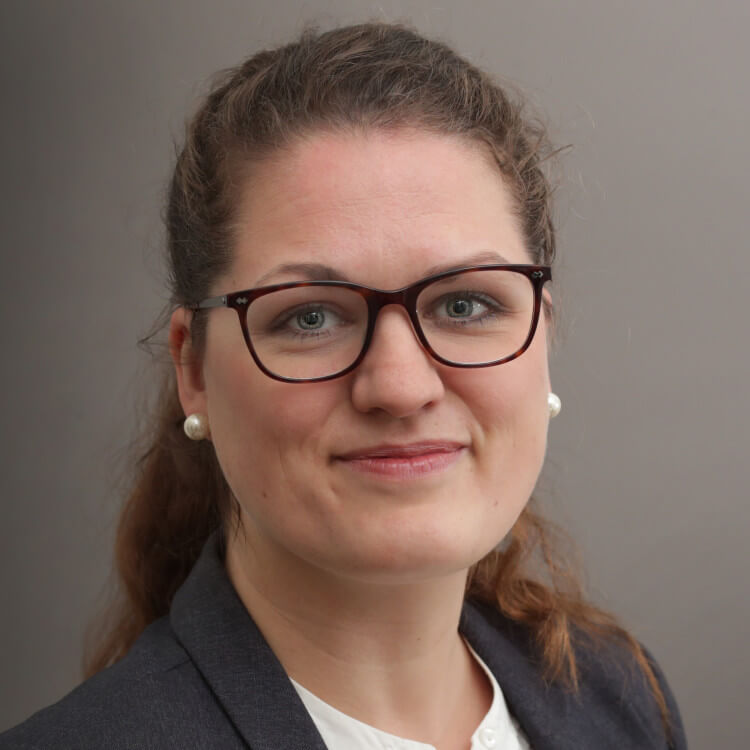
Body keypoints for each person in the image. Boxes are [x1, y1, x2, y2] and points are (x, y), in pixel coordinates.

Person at [0, 22, 686, 750]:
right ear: (193, 370)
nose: (400, 386)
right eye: (311, 317)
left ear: (541, 336)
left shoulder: (621, 700)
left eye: (465, 305)